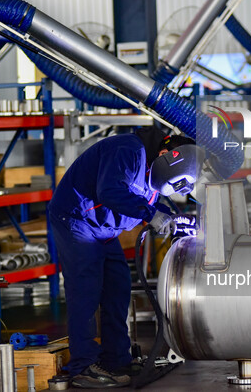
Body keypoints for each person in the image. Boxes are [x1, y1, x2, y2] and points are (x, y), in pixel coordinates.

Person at [48, 128, 196, 388]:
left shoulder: (153, 171)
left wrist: (170, 218)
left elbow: (144, 200)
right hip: (77, 218)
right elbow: (111, 191)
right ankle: (83, 367)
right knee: (86, 291)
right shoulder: (129, 150)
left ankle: (116, 360)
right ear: (165, 154)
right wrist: (150, 215)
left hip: (105, 229)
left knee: (118, 288)